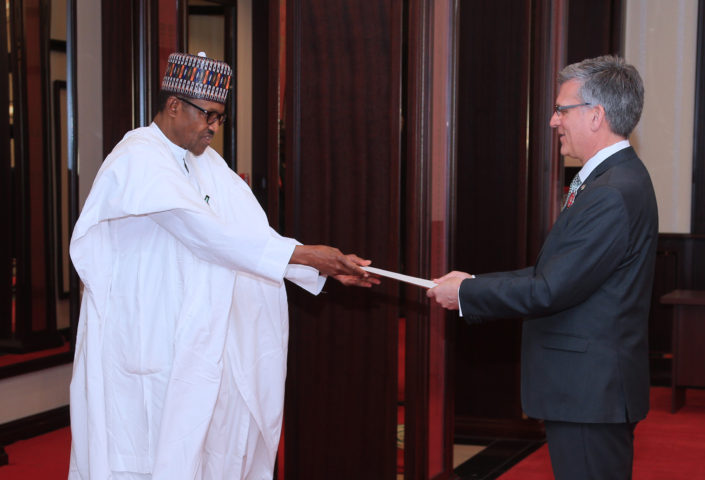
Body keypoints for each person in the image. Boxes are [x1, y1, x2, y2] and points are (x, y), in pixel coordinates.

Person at [68, 52, 378, 479]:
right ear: (175, 105)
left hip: (196, 332)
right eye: (208, 115)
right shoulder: (137, 157)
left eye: (220, 118)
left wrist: (317, 266)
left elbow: (251, 233)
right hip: (146, 334)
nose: (213, 128)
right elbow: (203, 231)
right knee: (146, 445)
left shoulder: (207, 162)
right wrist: (305, 256)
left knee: (203, 444)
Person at [427, 55, 657, 480]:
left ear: (596, 115)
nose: (553, 121)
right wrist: (471, 283)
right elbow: (553, 275)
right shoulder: (610, 180)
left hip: (590, 391)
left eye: (561, 110)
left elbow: (550, 289)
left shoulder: (611, 191)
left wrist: (465, 293)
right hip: (590, 388)